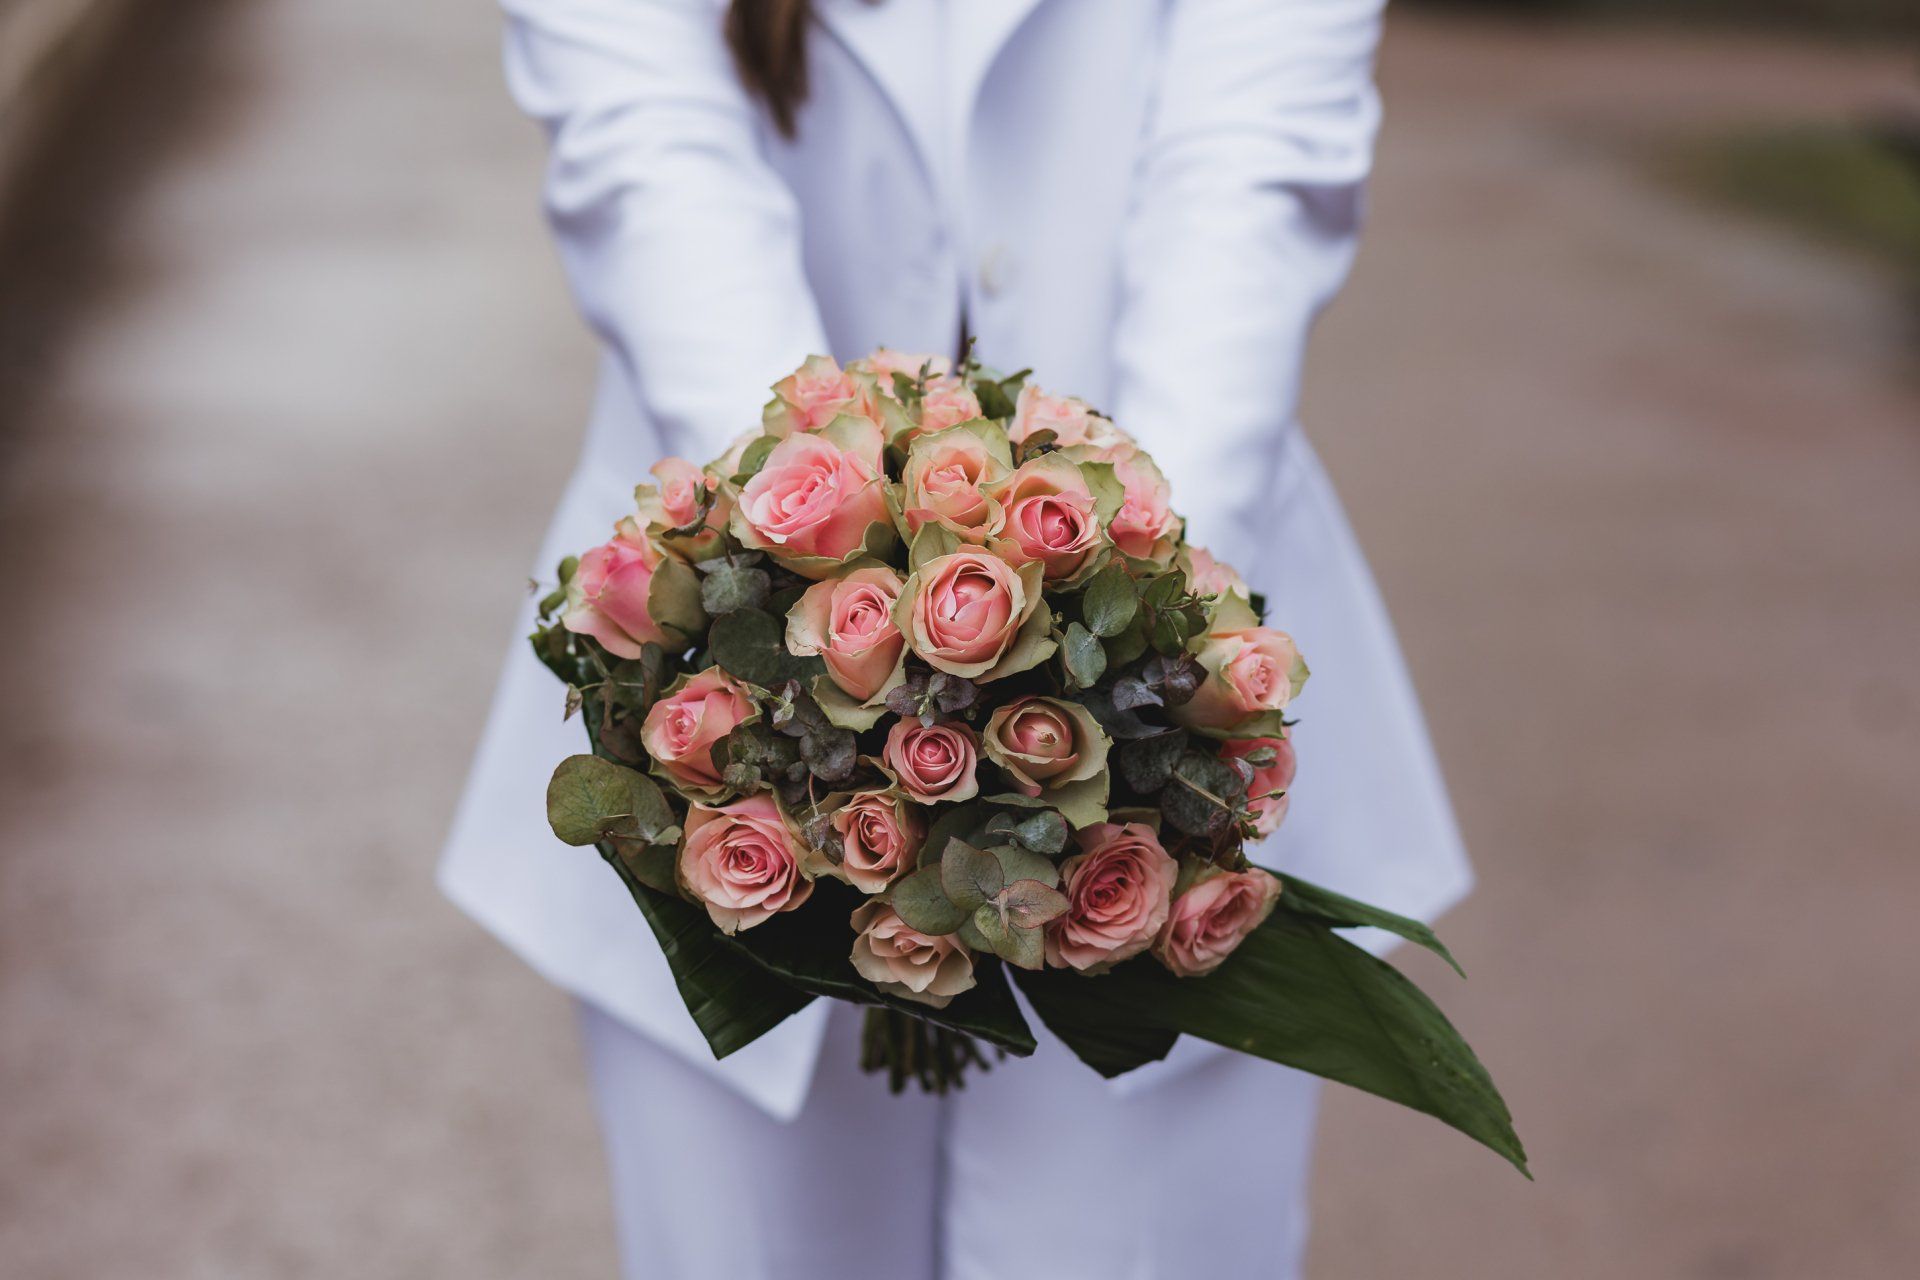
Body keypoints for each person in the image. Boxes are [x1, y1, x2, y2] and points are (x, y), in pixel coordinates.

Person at [440, 1, 1472, 1276]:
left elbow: (1250, 163)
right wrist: (804, 624)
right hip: (731, 710)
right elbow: (651, 159)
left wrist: (1138, 614)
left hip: (1162, 710)